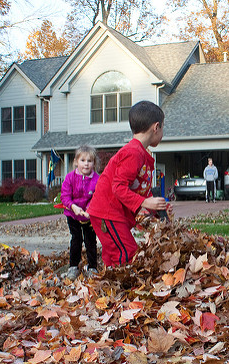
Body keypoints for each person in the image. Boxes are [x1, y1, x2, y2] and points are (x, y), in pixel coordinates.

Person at [87, 100, 168, 267]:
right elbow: (118, 187)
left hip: (112, 213)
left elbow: (138, 189)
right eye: (163, 128)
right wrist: (146, 202)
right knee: (127, 253)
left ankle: (108, 287)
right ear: (156, 127)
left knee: (113, 256)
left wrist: (154, 207)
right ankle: (127, 290)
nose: (162, 132)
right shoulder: (133, 153)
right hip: (106, 212)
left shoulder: (140, 154)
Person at [61, 145, 100, 280]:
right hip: (73, 214)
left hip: (89, 216)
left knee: (90, 241)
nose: (86, 164)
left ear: (94, 163)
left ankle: (92, 267)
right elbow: (65, 196)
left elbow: (97, 196)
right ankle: (73, 266)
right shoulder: (70, 178)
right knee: (76, 239)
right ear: (76, 162)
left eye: (89, 161)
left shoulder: (97, 179)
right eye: (83, 160)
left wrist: (90, 209)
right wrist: (73, 207)